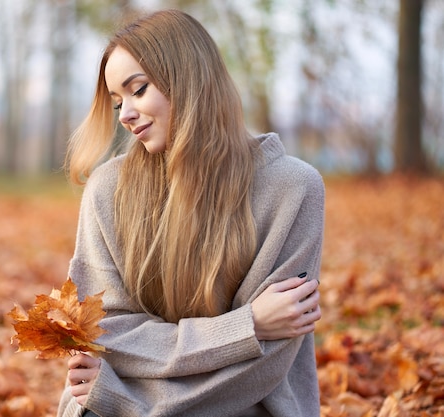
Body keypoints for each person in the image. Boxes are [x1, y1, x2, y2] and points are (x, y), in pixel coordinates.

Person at [57, 9, 325, 417]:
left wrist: (129, 397)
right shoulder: (107, 190)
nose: (125, 114)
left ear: (189, 78)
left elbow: (264, 365)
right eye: (116, 103)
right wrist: (245, 327)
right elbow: (102, 334)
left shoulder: (293, 188)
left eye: (139, 89)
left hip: (245, 406)